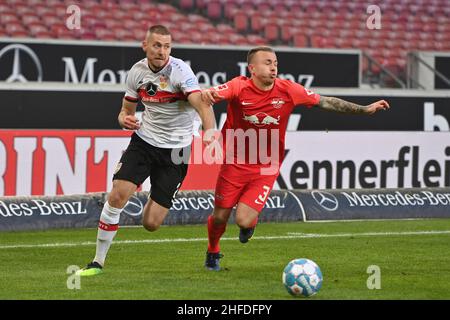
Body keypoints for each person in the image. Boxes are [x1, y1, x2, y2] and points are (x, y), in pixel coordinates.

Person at [201, 46, 390, 271]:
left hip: (266, 168)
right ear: (252, 68)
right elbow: (206, 97)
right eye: (267, 62)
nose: (273, 67)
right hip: (233, 164)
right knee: (220, 216)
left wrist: (364, 109)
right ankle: (213, 251)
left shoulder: (288, 90)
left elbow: (326, 102)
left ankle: (249, 224)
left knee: (243, 219)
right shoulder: (238, 86)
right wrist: (208, 113)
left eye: (275, 63)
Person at [76, 25, 215, 276]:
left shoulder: (180, 72)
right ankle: (97, 262)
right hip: (145, 142)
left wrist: (210, 132)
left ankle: (155, 193)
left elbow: (202, 104)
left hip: (177, 150)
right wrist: (123, 120)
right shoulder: (137, 72)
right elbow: (125, 111)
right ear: (145, 46)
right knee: (117, 195)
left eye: (167, 46)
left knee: (151, 224)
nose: (162, 51)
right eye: (157, 45)